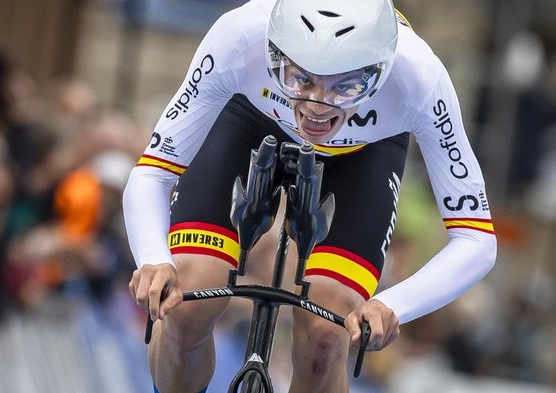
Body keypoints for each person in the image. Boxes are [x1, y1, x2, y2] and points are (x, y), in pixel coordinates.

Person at [123, 0, 497, 392]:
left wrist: (392, 305)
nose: (318, 104)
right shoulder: (240, 36)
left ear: (382, 70)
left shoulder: (420, 75)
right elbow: (153, 172)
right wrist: (153, 260)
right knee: (184, 307)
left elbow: (476, 241)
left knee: (325, 337)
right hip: (249, 117)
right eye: (300, 78)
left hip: (362, 153)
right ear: (274, 52)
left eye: (348, 86)